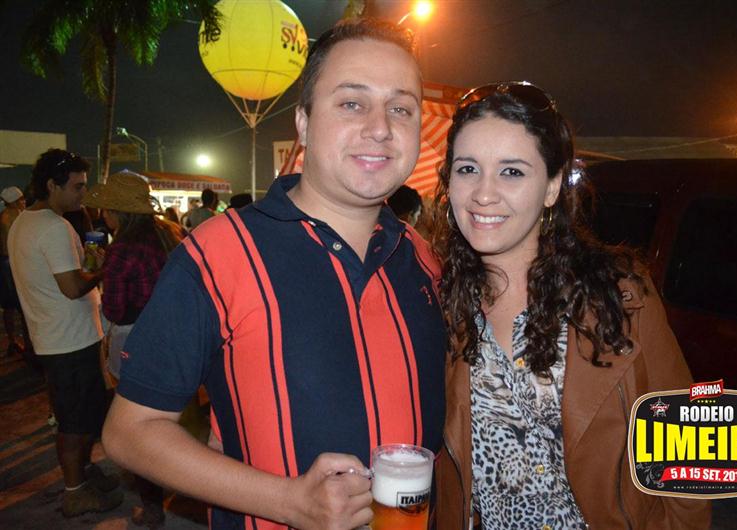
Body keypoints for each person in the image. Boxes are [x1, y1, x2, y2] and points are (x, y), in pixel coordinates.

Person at [103, 18, 445, 530]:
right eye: (352, 103)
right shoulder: (218, 253)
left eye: (401, 108)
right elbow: (130, 431)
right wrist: (288, 502)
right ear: (303, 122)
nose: (380, 127)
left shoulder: (422, 258)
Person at [432, 82, 711, 529]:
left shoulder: (618, 296)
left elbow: (689, 448)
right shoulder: (443, 303)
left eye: (512, 172)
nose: (484, 193)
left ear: (551, 187)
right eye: (468, 169)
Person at [8, 149, 123, 517]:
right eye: (77, 186)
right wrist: (103, 271)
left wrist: (89, 267)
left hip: (56, 337)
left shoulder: (24, 222)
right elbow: (72, 288)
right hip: (69, 342)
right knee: (74, 421)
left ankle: (84, 473)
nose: (83, 194)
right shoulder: (54, 227)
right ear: (51, 185)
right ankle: (75, 491)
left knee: (81, 414)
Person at [83, 170, 185, 527]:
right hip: (176, 337)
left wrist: (100, 273)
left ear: (116, 212)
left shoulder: (121, 250)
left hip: (136, 342)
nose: (103, 215)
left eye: (106, 210)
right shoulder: (170, 234)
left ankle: (152, 506)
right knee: (173, 418)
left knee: (138, 427)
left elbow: (114, 309)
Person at [0, 186, 31, 355]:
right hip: (11, 264)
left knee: (9, 306)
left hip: (6, 263)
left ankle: (13, 341)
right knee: (21, 305)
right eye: (21, 199)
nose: (24, 202)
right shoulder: (13, 218)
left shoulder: (6, 216)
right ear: (14, 202)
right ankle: (28, 345)